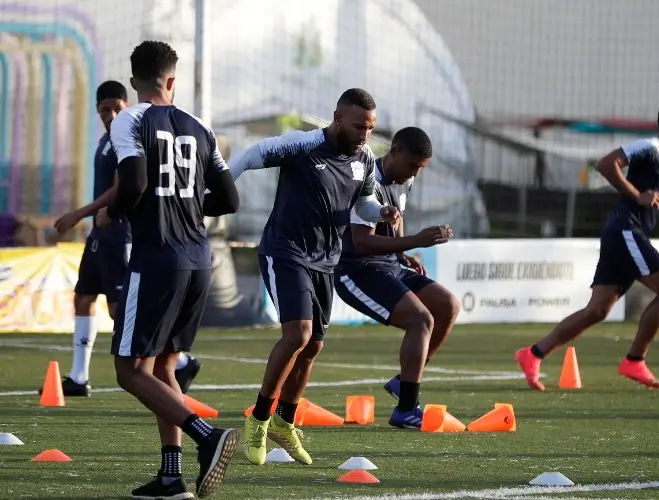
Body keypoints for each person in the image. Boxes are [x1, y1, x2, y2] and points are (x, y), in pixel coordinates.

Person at [515, 98, 659, 391]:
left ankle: (532, 354)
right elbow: (606, 164)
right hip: (626, 230)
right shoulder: (649, 147)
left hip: (624, 234)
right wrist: (638, 195)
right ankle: (635, 360)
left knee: (597, 310)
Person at [228, 88, 400, 465]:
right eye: (358, 126)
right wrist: (221, 186)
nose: (364, 135)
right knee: (298, 334)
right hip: (285, 252)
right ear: (337, 118)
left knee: (312, 348)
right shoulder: (302, 145)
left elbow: (365, 203)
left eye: (370, 128)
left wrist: (381, 213)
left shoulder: (366, 158)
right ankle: (258, 420)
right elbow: (252, 155)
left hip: (326, 261)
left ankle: (284, 424)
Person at [101, 40, 240, 499]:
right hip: (199, 257)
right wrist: (185, 199)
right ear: (172, 80)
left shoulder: (131, 118)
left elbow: (136, 181)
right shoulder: (200, 126)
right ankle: (170, 476)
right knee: (165, 367)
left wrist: (115, 212)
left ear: (134, 79)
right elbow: (229, 200)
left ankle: (207, 436)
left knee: (128, 369)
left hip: (157, 257)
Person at [49, 81, 202, 398]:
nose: (112, 114)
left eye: (118, 108)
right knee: (83, 298)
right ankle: (79, 377)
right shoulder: (107, 140)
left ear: (127, 104)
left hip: (120, 234)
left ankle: (182, 361)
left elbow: (122, 187)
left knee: (119, 311)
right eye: (106, 109)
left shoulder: (126, 139)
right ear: (98, 111)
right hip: (100, 235)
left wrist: (81, 212)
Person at [333, 127, 459, 429]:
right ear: (395, 151)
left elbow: (396, 218)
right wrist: (414, 241)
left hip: (389, 265)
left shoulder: (406, 180)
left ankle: (405, 383)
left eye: (421, 168)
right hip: (358, 269)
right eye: (413, 165)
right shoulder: (367, 181)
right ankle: (406, 409)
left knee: (448, 305)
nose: (415, 172)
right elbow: (362, 242)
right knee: (421, 320)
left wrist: (404, 253)